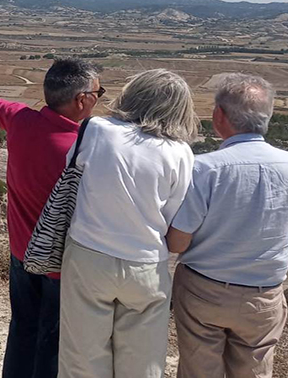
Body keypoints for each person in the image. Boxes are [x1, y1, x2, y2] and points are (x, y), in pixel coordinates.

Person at [167, 74, 288, 378]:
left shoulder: (204, 168)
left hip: (203, 290)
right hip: (263, 294)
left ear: (219, 116)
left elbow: (177, 242)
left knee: (198, 371)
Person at [58, 69, 199, 378]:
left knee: (81, 359)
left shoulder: (97, 129)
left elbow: (72, 171)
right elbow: (173, 218)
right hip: (146, 264)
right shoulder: (182, 154)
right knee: (143, 364)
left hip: (89, 256)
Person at [0, 58, 103, 378]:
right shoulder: (88, 149)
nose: (100, 98)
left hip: (22, 251)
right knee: (53, 340)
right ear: (82, 99)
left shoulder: (19, 120)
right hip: (63, 265)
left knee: (23, 329)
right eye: (100, 92)